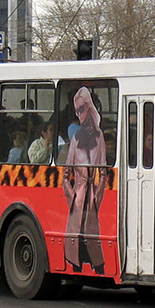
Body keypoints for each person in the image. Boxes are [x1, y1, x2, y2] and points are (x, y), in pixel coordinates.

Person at [62, 87, 108, 275]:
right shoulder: (75, 139)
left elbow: (103, 172)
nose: (80, 113)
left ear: (89, 108)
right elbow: (66, 174)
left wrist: (96, 198)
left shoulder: (99, 136)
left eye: (82, 108)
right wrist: (72, 197)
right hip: (77, 198)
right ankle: (75, 266)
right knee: (74, 243)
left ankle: (97, 268)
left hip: (90, 198)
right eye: (77, 110)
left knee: (93, 242)